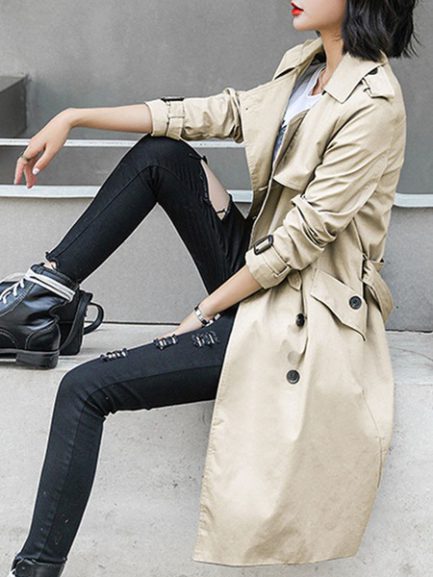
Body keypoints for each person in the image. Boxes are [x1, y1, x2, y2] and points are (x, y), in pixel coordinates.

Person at [1, 0, 419, 574]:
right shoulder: (307, 66)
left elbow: (298, 243)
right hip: (259, 275)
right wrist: (75, 116)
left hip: (300, 318)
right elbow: (214, 112)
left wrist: (206, 309)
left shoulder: (373, 105)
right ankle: (43, 295)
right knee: (163, 155)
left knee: (83, 389)